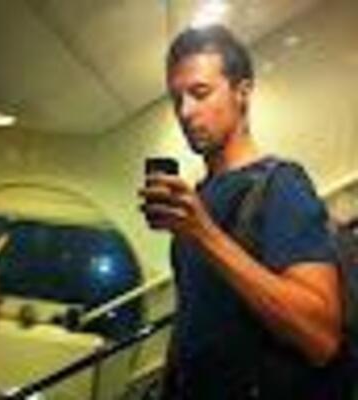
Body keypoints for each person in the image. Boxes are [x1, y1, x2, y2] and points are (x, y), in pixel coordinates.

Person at [139, 25, 352, 399]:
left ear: (242, 92)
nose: (185, 112)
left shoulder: (282, 185)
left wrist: (204, 234)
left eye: (200, 93)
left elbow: (320, 337)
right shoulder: (196, 200)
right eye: (177, 99)